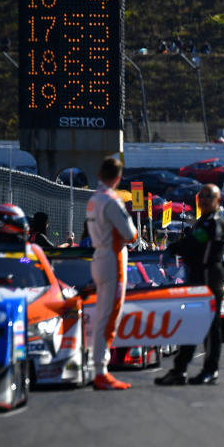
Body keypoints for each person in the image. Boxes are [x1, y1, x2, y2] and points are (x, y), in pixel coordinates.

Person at [156, 184, 224, 386]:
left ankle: (210, 370)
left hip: (210, 281)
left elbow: (194, 244)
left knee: (211, 328)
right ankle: (179, 370)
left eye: (209, 196)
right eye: (201, 196)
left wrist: (173, 247)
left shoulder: (214, 223)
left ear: (217, 201)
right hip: (197, 281)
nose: (204, 200)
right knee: (190, 325)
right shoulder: (202, 221)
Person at [86, 157, 138, 391]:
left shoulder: (93, 199)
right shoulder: (111, 200)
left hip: (98, 256)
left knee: (102, 316)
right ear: (117, 178)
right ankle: (100, 370)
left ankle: (98, 367)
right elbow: (130, 234)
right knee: (108, 318)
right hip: (113, 260)